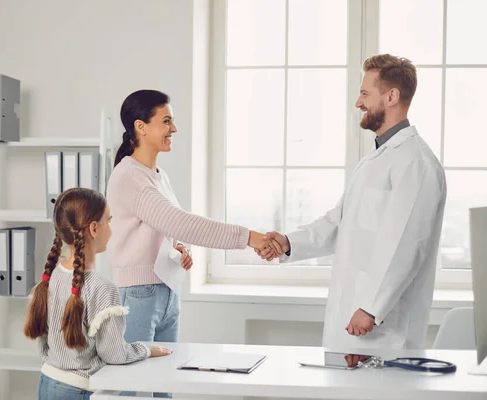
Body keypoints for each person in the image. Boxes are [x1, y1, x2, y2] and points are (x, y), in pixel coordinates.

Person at [260, 54, 447, 350]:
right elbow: (339, 222)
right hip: (355, 317)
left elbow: (407, 243)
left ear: (391, 96)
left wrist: (372, 308)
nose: (358, 103)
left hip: (384, 326)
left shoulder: (415, 163)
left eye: (364, 93)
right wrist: (288, 242)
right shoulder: (375, 160)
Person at [106, 89, 273, 347]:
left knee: (167, 380)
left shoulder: (159, 176)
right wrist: (249, 237)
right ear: (141, 127)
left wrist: (177, 249)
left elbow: (165, 230)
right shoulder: (129, 175)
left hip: (167, 291)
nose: (174, 128)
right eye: (166, 121)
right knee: (134, 383)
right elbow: (180, 222)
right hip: (140, 294)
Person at [23, 187, 172, 399]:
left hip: (47, 382)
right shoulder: (102, 287)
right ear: (94, 229)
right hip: (76, 390)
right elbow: (114, 354)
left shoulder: (51, 277)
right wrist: (146, 349)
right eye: (108, 221)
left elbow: (46, 342)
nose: (111, 229)